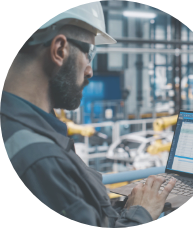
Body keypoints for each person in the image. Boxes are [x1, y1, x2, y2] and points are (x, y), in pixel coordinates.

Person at [0, 2, 176, 227]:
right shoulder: (41, 159)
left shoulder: (25, 130)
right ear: (59, 50)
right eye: (89, 53)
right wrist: (142, 213)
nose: (90, 70)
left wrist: (129, 210)